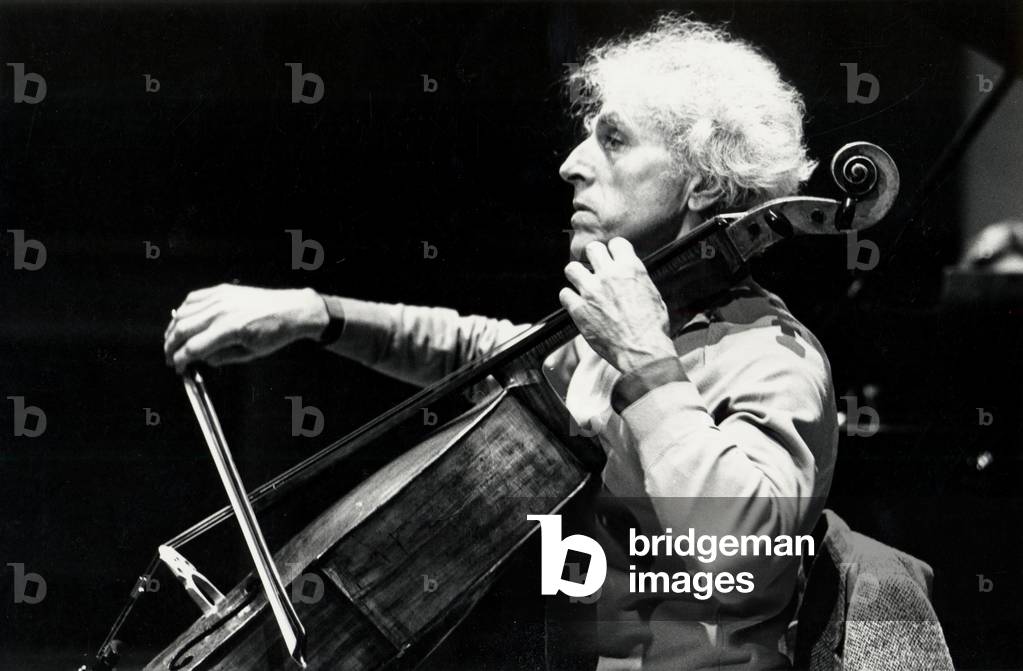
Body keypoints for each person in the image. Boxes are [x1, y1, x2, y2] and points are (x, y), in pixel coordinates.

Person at [163, 14, 836, 671]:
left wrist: (643, 360)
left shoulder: (769, 354)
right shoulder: (612, 336)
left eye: (613, 140)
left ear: (706, 183)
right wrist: (315, 312)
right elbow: (477, 352)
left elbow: (746, 555)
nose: (573, 164)